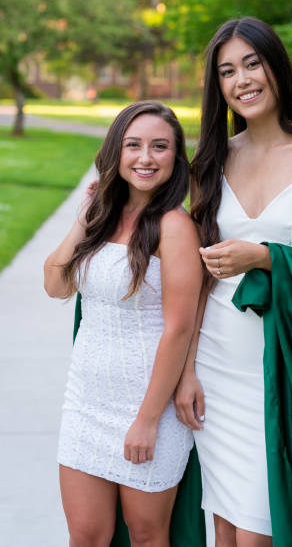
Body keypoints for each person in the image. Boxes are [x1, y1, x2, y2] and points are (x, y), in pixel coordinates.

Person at [175, 17, 292, 546]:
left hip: (280, 363)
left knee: (260, 526)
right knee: (225, 527)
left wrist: (265, 257)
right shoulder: (211, 162)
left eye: (252, 63)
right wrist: (185, 372)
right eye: (227, 71)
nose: (242, 80)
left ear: (276, 67)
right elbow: (196, 284)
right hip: (213, 362)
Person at [44, 101, 203, 547]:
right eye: (133, 145)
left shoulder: (174, 227)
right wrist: (85, 214)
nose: (145, 158)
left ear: (176, 157)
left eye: (160, 146)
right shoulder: (101, 219)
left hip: (147, 406)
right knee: (86, 537)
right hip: (85, 402)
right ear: (116, 152)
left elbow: (179, 328)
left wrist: (148, 420)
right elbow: (55, 285)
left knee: (148, 536)